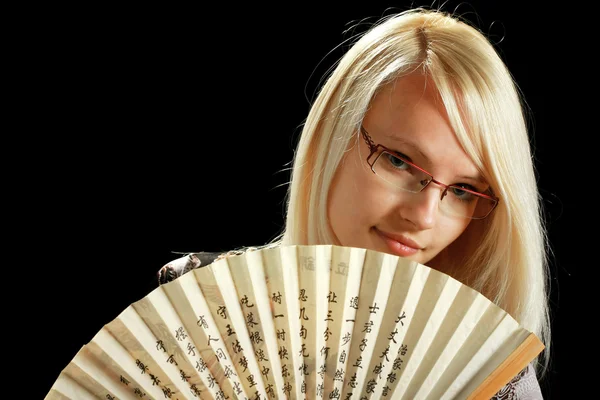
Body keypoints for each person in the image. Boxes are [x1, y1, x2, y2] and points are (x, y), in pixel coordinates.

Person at [158, 7, 551, 399]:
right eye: (400, 161)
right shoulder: (201, 306)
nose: (424, 217)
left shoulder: (487, 375)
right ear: (335, 131)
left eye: (464, 190)